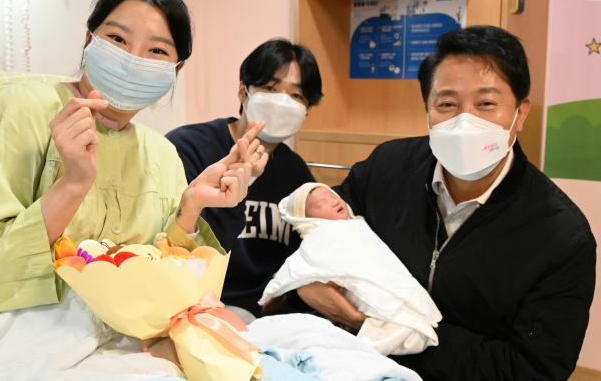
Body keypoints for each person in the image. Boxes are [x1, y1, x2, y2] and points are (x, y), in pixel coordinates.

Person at [0, 0, 262, 340]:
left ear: (176, 69)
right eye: (118, 39)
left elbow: (166, 283)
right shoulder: (18, 108)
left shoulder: (163, 153)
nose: (133, 59)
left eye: (156, 50)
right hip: (13, 337)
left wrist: (191, 208)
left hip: (125, 345)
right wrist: (72, 185)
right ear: (89, 39)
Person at [295, 26, 597, 380]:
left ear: (520, 112)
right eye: (447, 104)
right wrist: (303, 284)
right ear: (427, 109)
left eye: (486, 103)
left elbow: (533, 369)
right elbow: (319, 232)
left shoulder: (561, 237)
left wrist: (391, 331)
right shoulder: (385, 168)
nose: (464, 121)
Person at [166, 39, 323, 316]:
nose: (282, 102)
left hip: (267, 307)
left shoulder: (296, 172)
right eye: (270, 88)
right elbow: (177, 245)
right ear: (243, 91)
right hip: (195, 299)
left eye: (296, 96)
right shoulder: (188, 147)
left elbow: (309, 252)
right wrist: (243, 181)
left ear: (307, 110)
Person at [260, 183, 442, 356]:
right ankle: (388, 331)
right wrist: (275, 292)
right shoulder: (317, 237)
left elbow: (382, 261)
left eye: (333, 195)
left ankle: (404, 320)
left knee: (399, 299)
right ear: (307, 219)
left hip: (384, 279)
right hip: (355, 289)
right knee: (391, 315)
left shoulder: (359, 224)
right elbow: (297, 267)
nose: (334, 201)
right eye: (321, 204)